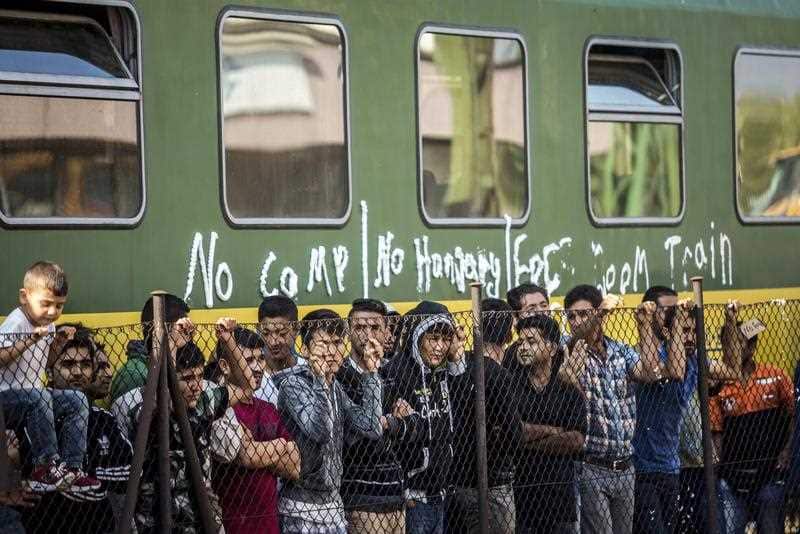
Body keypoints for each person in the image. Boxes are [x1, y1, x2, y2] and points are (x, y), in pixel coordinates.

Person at [633, 288, 744, 534]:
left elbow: (734, 369)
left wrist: (731, 322)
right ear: (667, 331)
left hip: (672, 467)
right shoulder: (653, 357)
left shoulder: (695, 360)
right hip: (643, 468)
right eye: (684, 330)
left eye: (695, 331)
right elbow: (667, 369)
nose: (691, 337)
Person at [131, 317, 255, 534]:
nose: (196, 386)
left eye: (199, 376)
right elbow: (159, 396)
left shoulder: (205, 402)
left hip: (203, 514)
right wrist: (171, 343)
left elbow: (247, 386)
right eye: (187, 378)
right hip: (161, 517)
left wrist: (228, 341)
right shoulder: (151, 407)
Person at [557, 284, 661, 534]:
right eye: (571, 316)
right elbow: (576, 340)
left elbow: (649, 372)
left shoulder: (620, 351)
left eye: (584, 313)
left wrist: (644, 324)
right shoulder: (568, 349)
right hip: (592, 467)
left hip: (625, 466)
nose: (576, 321)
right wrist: (599, 313)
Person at [276, 309, 384, 534]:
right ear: (304, 350)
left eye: (337, 343)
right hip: (301, 508)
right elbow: (320, 431)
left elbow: (371, 427)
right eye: (323, 344)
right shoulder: (294, 385)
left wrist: (371, 374)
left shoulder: (336, 387)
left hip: (333, 505)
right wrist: (320, 382)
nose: (332, 352)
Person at [18, 334, 132, 534]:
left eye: (86, 364)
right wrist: (84, 480)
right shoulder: (29, 421)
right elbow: (30, 479)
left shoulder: (103, 419)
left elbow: (129, 471)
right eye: (68, 364)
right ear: (49, 372)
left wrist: (79, 478)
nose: (78, 372)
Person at [0, 261, 98, 493]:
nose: (53, 312)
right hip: (6, 398)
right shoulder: (17, 321)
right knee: (39, 396)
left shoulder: (49, 325)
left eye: (59, 306)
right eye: (46, 304)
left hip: (34, 398)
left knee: (76, 400)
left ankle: (73, 469)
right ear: (25, 297)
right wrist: (29, 341)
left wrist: (58, 343)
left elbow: (47, 363)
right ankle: (45, 466)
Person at [381, 304, 466, 534]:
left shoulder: (444, 373)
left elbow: (463, 411)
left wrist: (458, 361)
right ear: (417, 337)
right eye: (433, 338)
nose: (440, 347)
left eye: (446, 339)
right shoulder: (396, 373)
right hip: (412, 499)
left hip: (440, 495)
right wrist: (402, 490)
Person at [210, 326, 300, 534]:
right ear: (225, 365)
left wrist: (257, 449)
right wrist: (279, 447)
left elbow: (295, 467)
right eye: (248, 360)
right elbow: (245, 456)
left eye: (260, 359)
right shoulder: (219, 409)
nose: (258, 367)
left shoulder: (268, 408)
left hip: (268, 525)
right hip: (232, 525)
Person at [711, 314, 793, 534]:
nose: (732, 350)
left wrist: (786, 451)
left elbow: (795, 414)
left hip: (770, 476)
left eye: (739, 344)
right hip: (732, 478)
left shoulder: (775, 376)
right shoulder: (719, 384)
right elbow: (716, 431)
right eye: (727, 345)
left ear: (753, 346)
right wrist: (717, 471)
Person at [448, 299, 520, 534]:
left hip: (457, 478)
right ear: (509, 336)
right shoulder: (501, 376)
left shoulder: (460, 364)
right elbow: (515, 436)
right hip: (494, 482)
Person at [336, 299, 407, 534]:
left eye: (375, 328)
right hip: (360, 497)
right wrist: (389, 423)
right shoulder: (339, 376)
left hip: (395, 493)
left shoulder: (393, 372)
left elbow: (414, 422)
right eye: (360, 328)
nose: (367, 335)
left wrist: (394, 424)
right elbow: (361, 437)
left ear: (386, 331)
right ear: (348, 331)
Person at [512, 314, 586, 533]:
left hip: (560, 503)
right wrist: (554, 432)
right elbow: (507, 432)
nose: (523, 347)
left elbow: (576, 441)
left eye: (531, 341)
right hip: (522, 502)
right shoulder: (511, 385)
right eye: (520, 342)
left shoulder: (566, 386)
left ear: (552, 349)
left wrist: (525, 440)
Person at [110, 293, 193, 404]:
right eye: (183, 330)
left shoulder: (177, 363)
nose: (188, 337)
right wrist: (172, 343)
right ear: (163, 330)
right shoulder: (135, 374)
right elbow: (157, 414)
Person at [255, 295, 306, 404]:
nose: (273, 342)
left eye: (282, 333)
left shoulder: (308, 371)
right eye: (266, 333)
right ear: (258, 330)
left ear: (297, 329)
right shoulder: (252, 376)